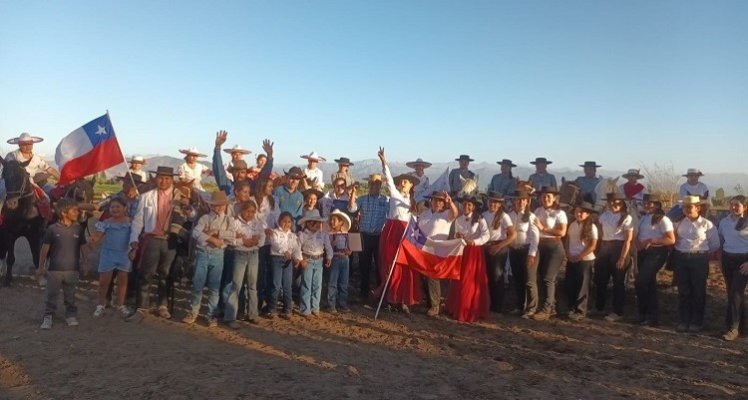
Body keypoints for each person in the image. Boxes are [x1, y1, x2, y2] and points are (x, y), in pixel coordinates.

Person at [127, 166, 195, 322]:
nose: (163, 181)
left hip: (170, 239)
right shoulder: (146, 197)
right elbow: (138, 221)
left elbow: (192, 216)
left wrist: (187, 205)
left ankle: (162, 305)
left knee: (166, 274)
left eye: (167, 179)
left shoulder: (180, 196)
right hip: (152, 239)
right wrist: (134, 239)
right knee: (146, 274)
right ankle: (142, 307)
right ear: (156, 179)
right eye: (161, 178)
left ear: (172, 180)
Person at [374, 147, 421, 312]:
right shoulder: (395, 194)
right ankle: (388, 298)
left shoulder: (412, 202)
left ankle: (402, 298)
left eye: (406, 182)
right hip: (392, 232)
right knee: (389, 264)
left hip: (405, 233)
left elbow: (414, 220)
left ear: (410, 186)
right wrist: (384, 162)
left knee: (403, 266)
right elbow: (388, 178)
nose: (403, 182)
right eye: (401, 180)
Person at [183, 191, 234, 327]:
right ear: (211, 206)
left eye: (221, 206)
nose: (218, 208)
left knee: (214, 287)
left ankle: (211, 313)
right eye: (216, 206)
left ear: (225, 206)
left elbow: (232, 235)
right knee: (198, 285)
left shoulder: (229, 219)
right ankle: (193, 311)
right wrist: (212, 239)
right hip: (203, 253)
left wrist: (216, 233)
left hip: (218, 254)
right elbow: (195, 233)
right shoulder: (205, 218)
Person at [672, 195, 720, 333]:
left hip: (699, 258)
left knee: (698, 290)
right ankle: (684, 320)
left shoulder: (707, 224)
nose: (686, 209)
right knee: (684, 290)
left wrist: (701, 252)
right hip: (681, 257)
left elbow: (715, 244)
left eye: (689, 206)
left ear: (697, 208)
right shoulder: (680, 223)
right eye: (684, 207)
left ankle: (696, 321)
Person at [37, 199, 87, 329]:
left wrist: (86, 262)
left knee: (70, 295)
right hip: (54, 270)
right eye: (74, 210)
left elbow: (83, 247)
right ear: (64, 213)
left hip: (72, 269)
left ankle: (71, 315)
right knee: (51, 294)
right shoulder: (52, 229)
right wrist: (41, 267)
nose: (77, 212)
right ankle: (48, 316)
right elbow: (45, 248)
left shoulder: (78, 229)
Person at [88, 198, 133, 318]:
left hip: (124, 254)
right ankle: (101, 304)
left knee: (122, 281)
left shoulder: (130, 223)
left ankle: (120, 304)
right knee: (104, 282)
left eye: (118, 207)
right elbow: (98, 236)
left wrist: (134, 250)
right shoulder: (106, 222)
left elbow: (134, 239)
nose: (115, 209)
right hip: (108, 254)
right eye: (112, 207)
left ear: (124, 208)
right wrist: (93, 241)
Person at [447, 195, 490, 322]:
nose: (466, 207)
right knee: (459, 278)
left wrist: (475, 242)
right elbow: (455, 234)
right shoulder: (459, 219)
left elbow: (486, 235)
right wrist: (457, 235)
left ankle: (470, 308)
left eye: (469, 205)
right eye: (465, 204)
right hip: (462, 250)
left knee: (470, 279)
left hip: (474, 252)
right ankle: (456, 306)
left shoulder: (479, 219)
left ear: (473, 207)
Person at [635, 194, 675, 326]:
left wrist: (653, 240)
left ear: (657, 204)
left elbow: (671, 239)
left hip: (656, 252)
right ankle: (649, 315)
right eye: (645, 202)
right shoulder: (644, 218)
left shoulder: (663, 220)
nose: (647, 205)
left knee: (642, 281)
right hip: (643, 252)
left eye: (650, 203)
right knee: (649, 283)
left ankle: (647, 313)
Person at [224, 200, 265, 328]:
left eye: (252, 212)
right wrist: (242, 241)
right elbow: (229, 239)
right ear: (242, 210)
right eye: (248, 211)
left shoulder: (257, 223)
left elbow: (262, 237)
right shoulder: (235, 222)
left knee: (252, 285)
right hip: (240, 254)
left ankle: (253, 314)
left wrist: (255, 242)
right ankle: (230, 316)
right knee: (236, 285)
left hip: (253, 254)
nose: (250, 214)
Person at [594, 192, 634, 322]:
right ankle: (599, 307)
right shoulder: (604, 216)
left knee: (618, 281)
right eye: (611, 201)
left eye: (616, 202)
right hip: (605, 247)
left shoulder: (627, 218)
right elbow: (599, 232)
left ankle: (618, 311)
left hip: (619, 247)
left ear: (621, 203)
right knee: (600, 279)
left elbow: (628, 239)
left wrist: (622, 257)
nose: (613, 204)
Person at [417, 190, 458, 316]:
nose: (437, 203)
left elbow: (455, 213)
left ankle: (435, 305)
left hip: (437, 251)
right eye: (435, 200)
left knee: (432, 277)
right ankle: (430, 303)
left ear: (443, 203)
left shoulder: (446, 215)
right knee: (423, 277)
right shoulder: (424, 214)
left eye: (440, 200)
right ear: (431, 201)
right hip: (423, 249)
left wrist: (450, 203)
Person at [531, 186, 567, 320]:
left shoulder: (560, 213)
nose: (546, 199)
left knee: (549, 277)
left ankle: (547, 309)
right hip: (541, 245)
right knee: (542, 277)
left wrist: (543, 228)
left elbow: (562, 232)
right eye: (544, 197)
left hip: (554, 246)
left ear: (554, 198)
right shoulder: (537, 211)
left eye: (548, 197)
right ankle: (551, 305)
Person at [352, 173, 389, 301]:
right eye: (372, 183)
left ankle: (379, 293)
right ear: (368, 185)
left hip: (379, 237)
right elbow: (352, 209)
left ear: (381, 185)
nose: (374, 186)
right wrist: (353, 193)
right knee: (364, 265)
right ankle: (364, 292)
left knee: (380, 266)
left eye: (377, 184)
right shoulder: (361, 199)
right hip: (365, 236)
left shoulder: (386, 200)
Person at [719, 196, 748, 341]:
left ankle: (733, 327)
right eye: (732, 205)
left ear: (745, 207)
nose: (734, 207)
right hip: (728, 259)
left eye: (738, 205)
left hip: (743, 261)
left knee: (736, 292)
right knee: (733, 292)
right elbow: (721, 240)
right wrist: (720, 260)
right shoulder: (724, 222)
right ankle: (743, 326)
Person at [482, 192, 516, 314]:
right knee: (488, 275)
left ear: (499, 204)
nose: (492, 204)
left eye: (495, 202)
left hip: (499, 245)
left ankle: (498, 305)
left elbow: (512, 235)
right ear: (487, 202)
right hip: (486, 245)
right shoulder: (483, 215)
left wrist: (500, 246)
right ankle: (489, 302)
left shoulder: (504, 216)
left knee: (497, 275)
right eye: (491, 201)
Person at [507, 189, 540, 317]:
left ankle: (532, 308)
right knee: (518, 279)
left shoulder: (531, 216)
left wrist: (532, 254)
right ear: (514, 201)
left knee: (529, 280)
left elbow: (535, 237)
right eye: (518, 200)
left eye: (523, 200)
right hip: (514, 250)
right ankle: (520, 305)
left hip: (527, 250)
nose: (520, 202)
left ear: (527, 202)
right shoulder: (509, 215)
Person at [565, 202, 599, 321]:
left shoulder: (592, 227)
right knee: (570, 284)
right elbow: (568, 240)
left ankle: (580, 310)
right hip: (572, 258)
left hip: (585, 259)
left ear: (588, 214)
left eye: (582, 212)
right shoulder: (572, 225)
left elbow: (592, 245)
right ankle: (571, 307)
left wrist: (580, 256)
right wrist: (568, 253)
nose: (579, 214)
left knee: (582, 286)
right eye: (577, 211)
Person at [297, 210, 333, 317]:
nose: (318, 225)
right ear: (309, 223)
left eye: (319, 222)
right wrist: (301, 259)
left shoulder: (322, 235)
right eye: (316, 222)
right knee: (307, 284)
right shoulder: (302, 235)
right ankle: (305, 309)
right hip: (307, 260)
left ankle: (315, 307)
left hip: (319, 260)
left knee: (317, 284)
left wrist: (329, 257)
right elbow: (297, 248)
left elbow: (328, 246)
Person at [268, 212, 303, 319]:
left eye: (289, 222)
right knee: (276, 285)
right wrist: (284, 251)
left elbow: (296, 248)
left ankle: (288, 309)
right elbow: (275, 244)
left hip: (288, 261)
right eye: (284, 221)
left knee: (288, 285)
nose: (286, 224)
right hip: (277, 259)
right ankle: (272, 308)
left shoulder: (293, 235)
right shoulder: (274, 232)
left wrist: (299, 259)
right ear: (279, 221)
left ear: (291, 223)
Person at [254, 177, 280, 312]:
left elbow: (278, 217)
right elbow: (254, 218)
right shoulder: (255, 201)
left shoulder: (273, 200)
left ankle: (270, 303)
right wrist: (264, 228)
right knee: (259, 274)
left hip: (272, 241)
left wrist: (277, 229)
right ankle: (257, 302)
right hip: (260, 241)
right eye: (269, 186)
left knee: (271, 273)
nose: (271, 188)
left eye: (272, 186)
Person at [328, 209, 353, 313]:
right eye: (332, 220)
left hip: (345, 259)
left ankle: (342, 303)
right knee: (333, 283)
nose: (332, 222)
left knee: (343, 282)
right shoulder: (329, 234)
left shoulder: (346, 234)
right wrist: (331, 245)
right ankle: (331, 305)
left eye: (335, 220)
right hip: (335, 258)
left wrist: (349, 251)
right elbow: (327, 247)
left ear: (341, 222)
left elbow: (350, 248)